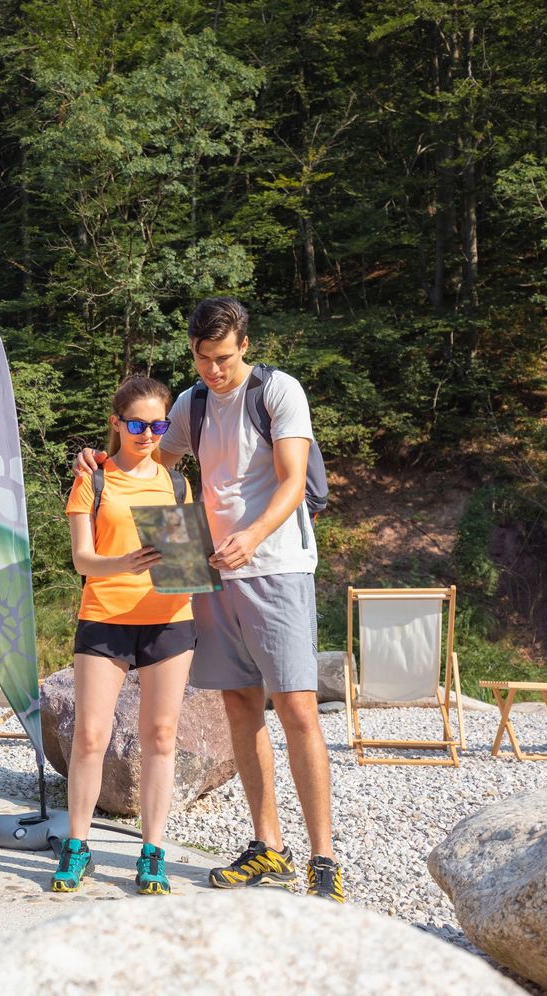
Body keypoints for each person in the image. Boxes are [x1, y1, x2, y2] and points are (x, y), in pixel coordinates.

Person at [75, 298, 344, 903]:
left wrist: (252, 536)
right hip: (213, 575)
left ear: (244, 345)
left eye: (222, 358)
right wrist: (97, 460)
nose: (213, 370)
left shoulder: (279, 393)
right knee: (241, 709)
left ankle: (323, 858)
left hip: (276, 567)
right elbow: (151, 466)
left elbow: (293, 480)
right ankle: (268, 845)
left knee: (298, 711)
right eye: (201, 358)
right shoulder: (192, 404)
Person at [53, 375, 197, 896]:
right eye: (137, 424)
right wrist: (125, 562)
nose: (149, 434)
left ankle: (152, 851)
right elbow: (81, 559)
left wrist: (196, 564)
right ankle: (77, 846)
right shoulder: (95, 479)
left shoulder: (178, 484)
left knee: (161, 737)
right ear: (116, 423)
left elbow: (184, 562)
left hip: (169, 618)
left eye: (158, 425)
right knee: (91, 735)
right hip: (106, 615)